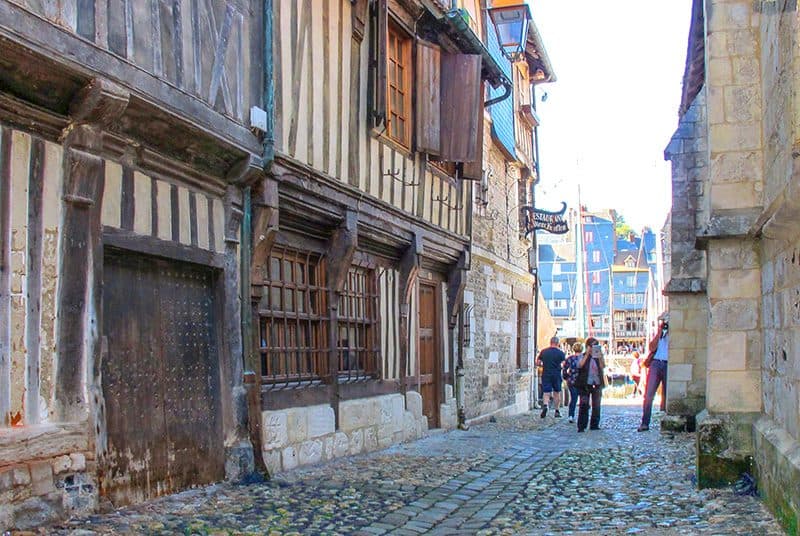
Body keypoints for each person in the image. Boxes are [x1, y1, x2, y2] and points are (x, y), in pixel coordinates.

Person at [638, 313, 669, 432]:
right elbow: (651, 347)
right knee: (649, 395)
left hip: (668, 364)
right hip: (656, 363)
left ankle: (666, 420)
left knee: (666, 395)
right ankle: (645, 422)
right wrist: (659, 333)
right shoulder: (659, 335)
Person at [575, 337, 605, 432]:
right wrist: (587, 354)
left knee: (596, 405)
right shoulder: (583, 356)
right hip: (584, 383)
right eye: (592, 346)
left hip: (596, 382)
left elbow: (602, 366)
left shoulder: (599, 356)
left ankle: (594, 424)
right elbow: (580, 365)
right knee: (584, 404)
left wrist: (600, 357)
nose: (593, 348)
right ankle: (581, 425)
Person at [536, 336, 566, 418]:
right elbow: (564, 364)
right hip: (556, 374)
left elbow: (538, 362)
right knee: (557, 392)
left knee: (546, 392)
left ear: (550, 342)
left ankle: (545, 405)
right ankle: (557, 410)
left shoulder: (544, 352)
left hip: (546, 373)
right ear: (557, 343)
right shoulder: (561, 353)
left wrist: (543, 364)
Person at [562, 342, 583, 423]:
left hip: (571, 381)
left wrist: (566, 377)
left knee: (573, 398)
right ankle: (582, 416)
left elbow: (564, 369)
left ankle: (571, 415)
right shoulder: (583, 358)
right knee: (582, 399)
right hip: (581, 381)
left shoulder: (569, 358)